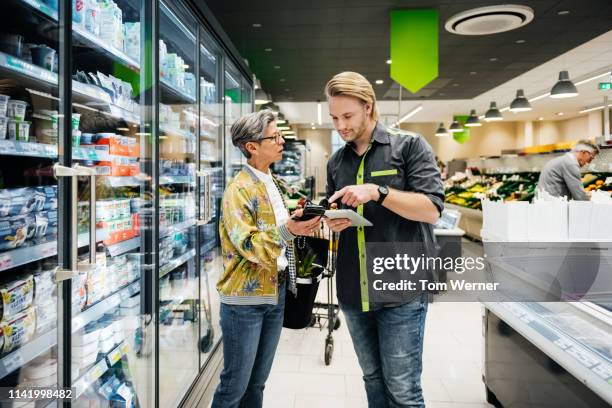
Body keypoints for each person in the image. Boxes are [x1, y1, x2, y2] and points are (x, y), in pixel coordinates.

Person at [323, 72, 444, 407]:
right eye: (334, 118)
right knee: (373, 380)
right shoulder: (336, 161)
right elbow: (333, 209)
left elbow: (431, 210)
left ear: (368, 107)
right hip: (352, 289)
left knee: (402, 389)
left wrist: (378, 191)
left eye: (347, 116)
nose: (341, 126)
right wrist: (334, 222)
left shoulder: (409, 147)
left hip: (399, 287)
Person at [212, 110, 321, 408]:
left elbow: (279, 223)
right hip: (244, 303)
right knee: (234, 386)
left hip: (275, 294)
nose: (281, 140)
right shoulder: (238, 190)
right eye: (274, 136)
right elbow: (249, 244)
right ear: (252, 146)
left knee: (257, 383)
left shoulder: (272, 182)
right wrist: (288, 229)